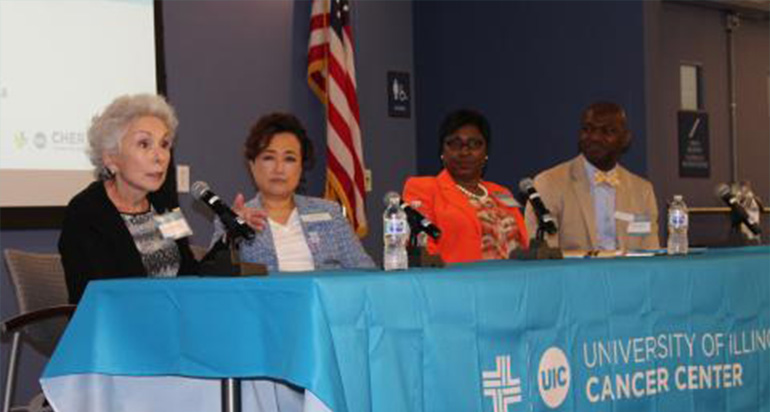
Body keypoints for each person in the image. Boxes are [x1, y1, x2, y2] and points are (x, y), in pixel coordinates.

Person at [58, 94, 198, 304]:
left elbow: (190, 272)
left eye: (164, 144)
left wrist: (227, 238)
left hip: (168, 325)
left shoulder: (164, 204)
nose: (159, 156)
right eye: (144, 144)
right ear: (111, 158)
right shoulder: (86, 212)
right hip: (114, 329)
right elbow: (101, 298)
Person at [210, 112, 374, 272]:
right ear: (252, 165)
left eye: (289, 159)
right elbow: (213, 274)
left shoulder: (330, 212)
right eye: (269, 157)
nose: (279, 169)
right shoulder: (235, 218)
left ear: (301, 167)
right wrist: (231, 231)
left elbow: (365, 271)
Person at [525, 101, 659, 252]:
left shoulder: (642, 191)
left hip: (629, 275)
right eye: (587, 129)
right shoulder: (549, 183)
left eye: (607, 131)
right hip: (573, 275)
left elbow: (650, 253)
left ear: (626, 139)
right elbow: (545, 255)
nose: (594, 137)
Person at [402, 109, 529, 263]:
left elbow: (523, 243)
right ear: (442, 151)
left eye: (474, 144)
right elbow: (424, 252)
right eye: (455, 144)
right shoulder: (423, 188)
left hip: (515, 280)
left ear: (486, 152)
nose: (464, 151)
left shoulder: (500, 191)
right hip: (460, 283)